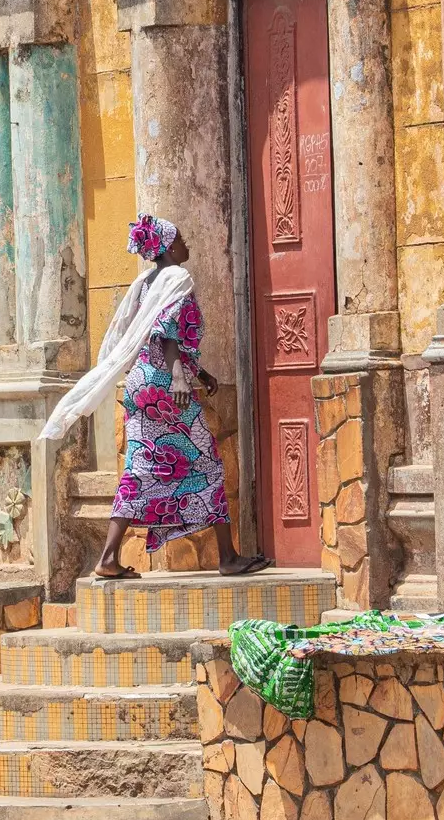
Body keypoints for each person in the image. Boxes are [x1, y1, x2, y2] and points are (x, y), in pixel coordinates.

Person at [37, 214, 272, 580]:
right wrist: (180, 377)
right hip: (164, 383)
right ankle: (227, 556)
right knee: (208, 461)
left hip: (141, 383)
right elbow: (166, 331)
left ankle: (109, 558)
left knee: (140, 468)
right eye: (180, 238)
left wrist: (201, 373)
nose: (186, 243)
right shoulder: (177, 278)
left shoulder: (146, 282)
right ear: (167, 246)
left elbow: (153, 337)